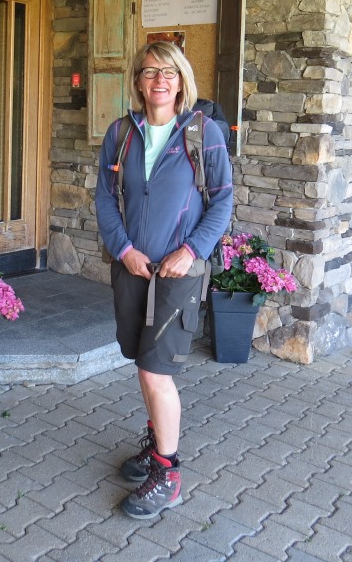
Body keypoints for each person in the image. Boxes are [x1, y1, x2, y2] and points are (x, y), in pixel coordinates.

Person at [95, 41, 233, 519]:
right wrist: (124, 250)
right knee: (142, 361)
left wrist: (190, 251)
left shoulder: (202, 132)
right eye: (151, 71)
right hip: (132, 268)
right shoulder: (120, 134)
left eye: (169, 72)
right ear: (138, 80)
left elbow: (222, 200)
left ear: (181, 81)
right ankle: (156, 443)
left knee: (157, 371)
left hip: (179, 272)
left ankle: (168, 473)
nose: (159, 80)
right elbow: (105, 199)